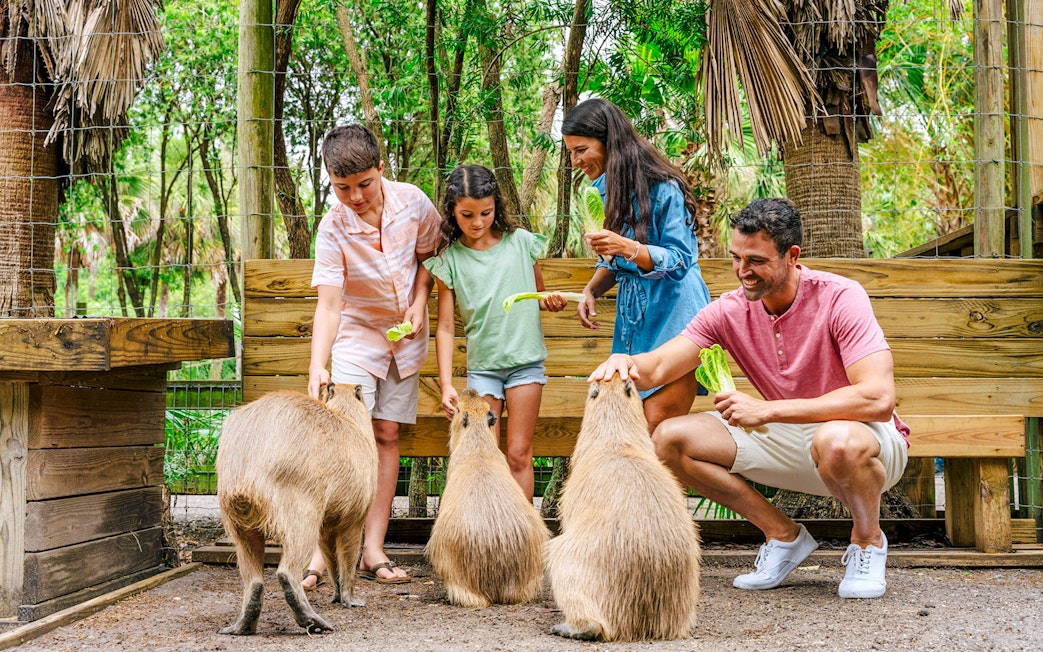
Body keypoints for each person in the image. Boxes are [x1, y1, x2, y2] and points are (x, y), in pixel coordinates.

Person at [589, 198, 909, 599]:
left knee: (837, 442)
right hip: (787, 436)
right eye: (736, 258)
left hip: (865, 439)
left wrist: (767, 409)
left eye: (756, 261)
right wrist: (624, 360)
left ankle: (867, 542)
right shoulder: (727, 310)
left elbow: (877, 398)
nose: (743, 272)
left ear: (792, 256)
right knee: (669, 439)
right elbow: (658, 367)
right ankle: (784, 536)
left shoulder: (840, 296)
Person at [302, 124, 441, 587]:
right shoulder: (332, 227)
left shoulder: (414, 202)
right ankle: (320, 555)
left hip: (406, 338)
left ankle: (372, 549)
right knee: (343, 439)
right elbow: (330, 304)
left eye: (364, 184)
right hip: (357, 336)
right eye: (342, 188)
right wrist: (317, 364)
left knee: (385, 435)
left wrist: (420, 303)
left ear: (381, 169)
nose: (355, 196)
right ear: (329, 180)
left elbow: (429, 260)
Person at [561, 97, 712, 433]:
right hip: (633, 327)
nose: (575, 161)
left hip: (676, 318)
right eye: (571, 152)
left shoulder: (664, 188)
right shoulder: (601, 190)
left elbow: (680, 261)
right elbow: (614, 263)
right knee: (630, 428)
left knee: (654, 427)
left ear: (608, 142)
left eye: (581, 150)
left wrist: (629, 247)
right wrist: (591, 290)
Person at [424, 165, 567, 500]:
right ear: (452, 211)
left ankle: (522, 539)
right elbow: (445, 327)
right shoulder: (450, 259)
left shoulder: (520, 243)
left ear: (496, 207)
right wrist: (446, 385)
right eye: (467, 215)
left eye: (486, 213)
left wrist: (553, 302)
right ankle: (489, 534)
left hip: (525, 364)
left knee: (519, 454)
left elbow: (539, 296)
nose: (477, 222)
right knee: (485, 457)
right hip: (483, 370)